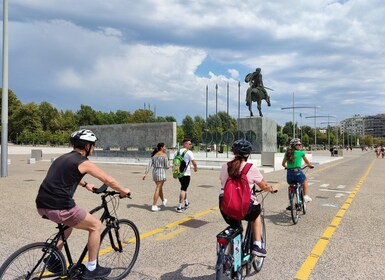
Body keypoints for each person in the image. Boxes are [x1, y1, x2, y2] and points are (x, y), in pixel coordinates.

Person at [35, 129, 131, 279]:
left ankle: (53, 259)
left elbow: (68, 175)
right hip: (61, 207)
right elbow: (108, 180)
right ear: (87, 146)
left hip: (42, 206)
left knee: (68, 225)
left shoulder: (62, 158)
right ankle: (92, 268)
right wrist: (123, 190)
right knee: (96, 226)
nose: (93, 148)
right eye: (92, 145)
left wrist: (86, 184)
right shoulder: (83, 162)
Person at [219, 139, 277, 257]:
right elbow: (263, 186)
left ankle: (231, 255)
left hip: (226, 206)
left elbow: (222, 183)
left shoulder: (225, 166)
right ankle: (257, 245)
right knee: (256, 216)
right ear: (248, 154)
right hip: (246, 207)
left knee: (235, 226)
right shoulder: (251, 168)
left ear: (233, 152)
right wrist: (271, 188)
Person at [281, 138, 314, 210]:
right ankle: (305, 196)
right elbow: (307, 162)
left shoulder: (287, 153)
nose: (300, 145)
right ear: (294, 145)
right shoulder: (301, 153)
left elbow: (283, 164)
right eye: (298, 144)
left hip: (289, 175)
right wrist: (310, 165)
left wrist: (287, 167)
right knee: (305, 180)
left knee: (291, 187)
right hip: (298, 172)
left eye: (300, 144)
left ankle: (290, 203)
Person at [142, 142, 170, 212]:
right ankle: (154, 205)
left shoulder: (154, 156)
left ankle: (163, 200)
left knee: (159, 188)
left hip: (154, 172)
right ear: (161, 148)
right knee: (158, 188)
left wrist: (145, 174)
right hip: (161, 171)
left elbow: (149, 165)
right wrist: (172, 165)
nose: (165, 148)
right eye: (165, 147)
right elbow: (167, 166)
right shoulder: (164, 155)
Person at [174, 138, 198, 213]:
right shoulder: (189, 152)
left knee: (184, 187)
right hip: (186, 173)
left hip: (178, 173)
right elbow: (194, 162)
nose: (191, 145)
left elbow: (175, 162)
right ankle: (179, 206)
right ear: (185, 144)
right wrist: (195, 168)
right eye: (189, 144)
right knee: (183, 189)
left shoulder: (176, 152)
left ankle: (186, 202)